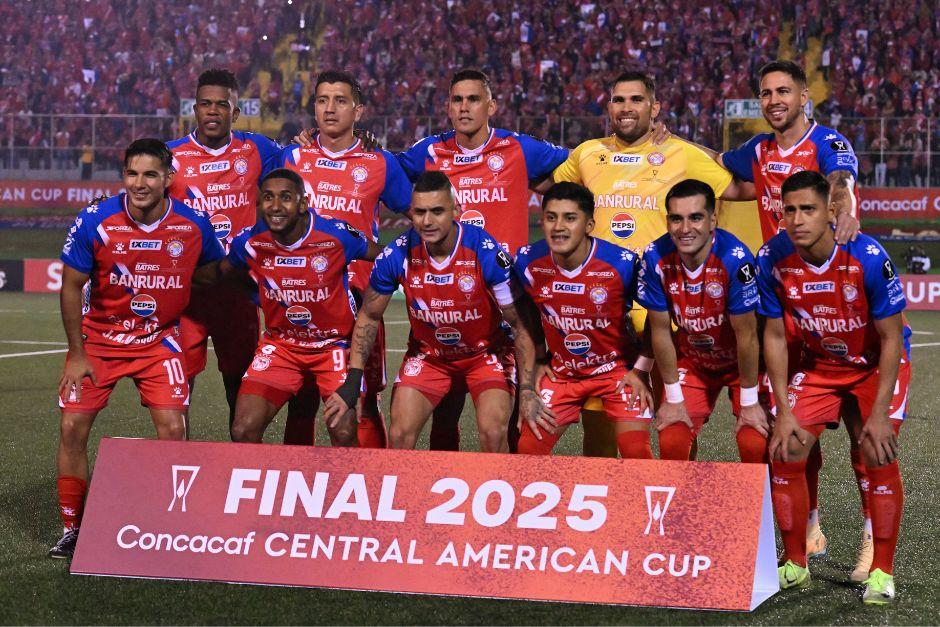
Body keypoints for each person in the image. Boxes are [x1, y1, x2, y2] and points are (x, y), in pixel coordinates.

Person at [551, 70, 753, 458]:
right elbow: (554, 191)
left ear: (654, 107)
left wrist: (692, 145)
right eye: (619, 100)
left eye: (636, 100)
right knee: (602, 420)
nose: (626, 108)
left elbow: (741, 187)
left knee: (674, 416)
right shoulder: (587, 154)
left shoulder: (679, 152)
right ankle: (610, 505)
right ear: (609, 106)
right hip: (601, 307)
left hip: (660, 307)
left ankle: (670, 502)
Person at [718, 60, 865, 571]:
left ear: (805, 97)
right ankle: (810, 522)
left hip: (841, 300)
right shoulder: (757, 151)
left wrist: (843, 201)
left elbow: (840, 174)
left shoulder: (829, 142)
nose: (774, 99)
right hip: (786, 298)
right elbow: (719, 168)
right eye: (765, 93)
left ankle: (871, 533)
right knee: (798, 422)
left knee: (859, 424)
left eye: (784, 91)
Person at [50, 139, 224, 558]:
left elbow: (212, 272)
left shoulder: (193, 223)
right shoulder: (95, 219)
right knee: (72, 429)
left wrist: (176, 278)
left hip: (159, 340)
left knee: (173, 427)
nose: (140, 183)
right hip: (98, 341)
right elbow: (71, 286)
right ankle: (73, 528)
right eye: (132, 174)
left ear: (168, 178)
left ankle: (168, 524)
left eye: (150, 174)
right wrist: (76, 353)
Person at [757, 171, 909, 604]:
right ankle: (795, 562)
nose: (799, 219)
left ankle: (882, 570)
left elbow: (892, 337)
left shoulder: (866, 256)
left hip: (873, 366)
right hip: (823, 366)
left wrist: (879, 415)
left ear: (831, 211)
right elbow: (773, 335)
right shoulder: (772, 257)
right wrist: (783, 410)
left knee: (877, 452)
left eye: (808, 209)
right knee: (785, 447)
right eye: (790, 210)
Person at [324, 171, 546, 453]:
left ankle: (495, 493)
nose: (427, 221)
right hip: (429, 357)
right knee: (400, 435)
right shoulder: (397, 255)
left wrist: (527, 389)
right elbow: (369, 316)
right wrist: (353, 380)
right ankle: (406, 496)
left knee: (493, 433)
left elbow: (519, 323)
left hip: (485, 354)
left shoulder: (484, 251)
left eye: (437, 211)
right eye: (419, 212)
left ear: (456, 210)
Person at [277, 70, 412, 448]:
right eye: (322, 101)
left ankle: (371, 490)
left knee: (365, 400)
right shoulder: (291, 157)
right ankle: (297, 490)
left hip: (359, 299)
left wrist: (393, 260)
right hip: (299, 298)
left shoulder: (379, 162)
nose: (330, 109)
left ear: (358, 110)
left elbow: (420, 214)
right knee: (300, 401)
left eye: (340, 101)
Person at [221, 168, 383, 445]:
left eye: (285, 197)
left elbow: (382, 257)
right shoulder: (250, 241)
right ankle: (264, 487)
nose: (275, 206)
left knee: (343, 431)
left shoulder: (335, 235)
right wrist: (258, 296)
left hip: (332, 346)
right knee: (243, 429)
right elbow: (227, 271)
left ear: (303, 202)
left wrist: (367, 295)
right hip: (281, 347)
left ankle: (349, 485)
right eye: (268, 198)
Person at [166, 68, 280, 435]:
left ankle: (239, 470)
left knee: (239, 386)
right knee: (177, 390)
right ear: (194, 109)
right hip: (189, 294)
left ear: (236, 110)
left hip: (239, 291)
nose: (212, 111)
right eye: (205, 104)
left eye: (222, 104)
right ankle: (174, 468)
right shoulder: (170, 157)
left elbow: (302, 167)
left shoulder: (259, 149)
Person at [513, 182, 653, 456]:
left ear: (589, 225)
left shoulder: (621, 264)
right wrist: (539, 360)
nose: (558, 226)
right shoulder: (528, 263)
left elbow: (660, 315)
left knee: (637, 453)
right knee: (528, 449)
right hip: (563, 374)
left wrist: (641, 369)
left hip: (617, 373)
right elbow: (525, 318)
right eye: (551, 217)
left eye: (570, 218)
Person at [637, 179, 768, 462]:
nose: (685, 229)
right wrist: (673, 398)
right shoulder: (655, 256)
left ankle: (761, 507)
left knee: (755, 441)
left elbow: (747, 336)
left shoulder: (735, 259)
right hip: (695, 362)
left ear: (712, 221)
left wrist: (749, 403)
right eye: (676, 219)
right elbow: (660, 329)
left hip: (741, 365)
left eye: (695, 217)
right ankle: (684, 506)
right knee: (672, 435)